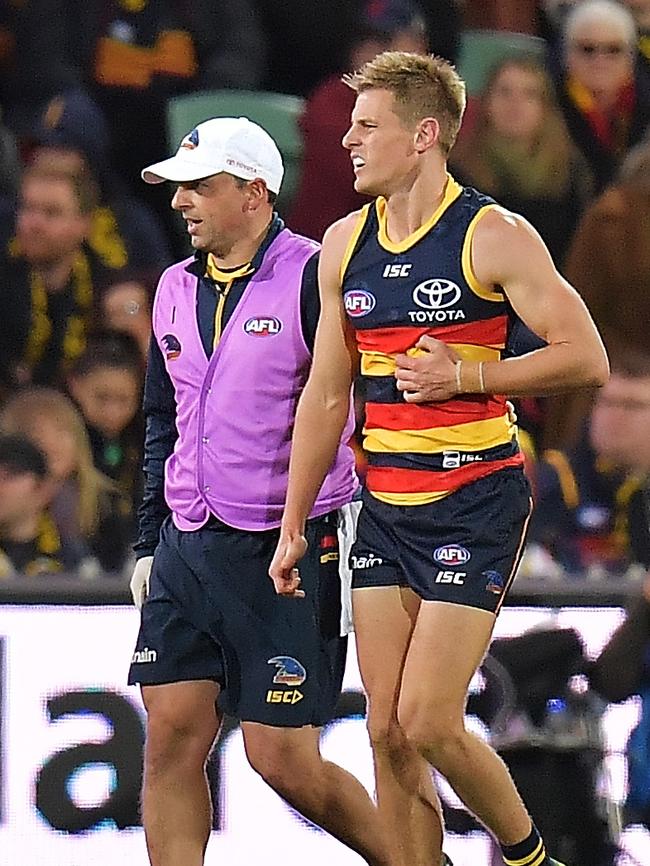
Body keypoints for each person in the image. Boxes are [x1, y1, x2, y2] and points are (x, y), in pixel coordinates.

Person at [270, 50, 609, 866]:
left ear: (424, 135)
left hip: (474, 497)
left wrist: (469, 373)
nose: (345, 140)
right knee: (386, 730)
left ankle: (532, 857)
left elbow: (586, 355)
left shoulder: (492, 236)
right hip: (384, 502)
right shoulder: (344, 244)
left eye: (366, 126)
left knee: (427, 718)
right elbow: (325, 395)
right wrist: (291, 523)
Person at [128, 116, 393, 866]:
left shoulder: (316, 276)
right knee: (172, 734)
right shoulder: (174, 286)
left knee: (282, 761)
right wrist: (150, 544)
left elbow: (359, 400)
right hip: (189, 542)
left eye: (199, 187)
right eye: (178, 189)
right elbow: (162, 419)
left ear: (253, 192)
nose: (181, 203)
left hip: (288, 546)